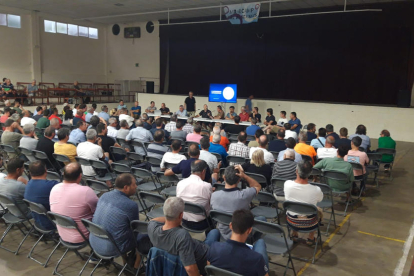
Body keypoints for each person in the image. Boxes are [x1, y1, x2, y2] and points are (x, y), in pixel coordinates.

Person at [90, 173, 151, 270]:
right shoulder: (130, 205)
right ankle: (137, 266)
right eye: (134, 184)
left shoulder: (104, 196)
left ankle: (127, 261)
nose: (136, 186)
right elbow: (135, 230)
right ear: (126, 187)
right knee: (146, 234)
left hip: (94, 242)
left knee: (120, 228)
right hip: (112, 247)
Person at [147, 197, 220, 275]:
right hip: (205, 256)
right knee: (215, 232)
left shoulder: (152, 227)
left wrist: (170, 217)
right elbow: (190, 268)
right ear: (181, 215)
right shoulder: (182, 236)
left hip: (196, 246)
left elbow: (153, 220)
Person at [207, 209, 269, 276]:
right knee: (260, 242)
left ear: (231, 226)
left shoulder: (214, 248)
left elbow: (210, 271)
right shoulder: (257, 259)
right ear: (249, 230)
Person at [50, 162, 98, 243]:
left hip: (63, 235)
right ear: (80, 176)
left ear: (63, 174)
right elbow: (99, 210)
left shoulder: (55, 188)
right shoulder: (85, 191)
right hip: (84, 236)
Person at [210, 165, 262, 240]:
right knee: (262, 219)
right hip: (241, 234)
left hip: (222, 233)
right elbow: (257, 186)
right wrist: (244, 175)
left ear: (224, 178)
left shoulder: (214, 195)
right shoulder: (244, 195)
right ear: (239, 180)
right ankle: (250, 241)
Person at [284, 160, 323, 245]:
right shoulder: (316, 189)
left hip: (291, 221)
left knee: (295, 207)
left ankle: (294, 234)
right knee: (319, 210)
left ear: (296, 171)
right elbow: (320, 200)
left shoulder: (287, 184)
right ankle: (311, 238)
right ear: (310, 174)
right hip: (310, 223)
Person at [177, 160, 213, 231]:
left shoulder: (180, 183)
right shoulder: (206, 186)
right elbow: (211, 204)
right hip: (203, 224)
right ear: (203, 171)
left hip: (184, 221)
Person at [24, 161, 59, 230]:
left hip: (38, 220)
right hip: (53, 223)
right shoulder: (52, 185)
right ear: (46, 170)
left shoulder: (28, 184)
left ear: (30, 173)